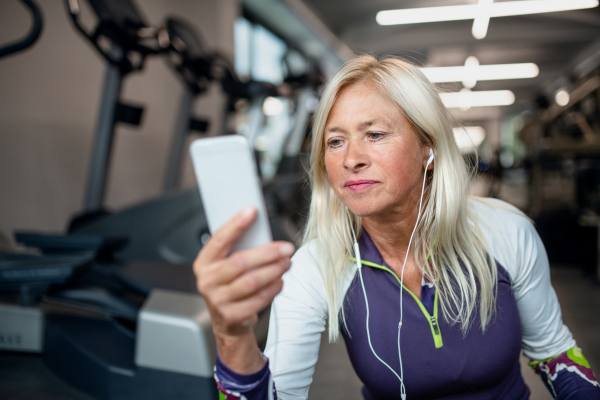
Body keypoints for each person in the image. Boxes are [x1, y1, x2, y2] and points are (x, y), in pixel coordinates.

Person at [193, 55, 600, 399]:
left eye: (374, 134)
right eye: (335, 142)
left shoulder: (505, 232)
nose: (351, 157)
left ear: (429, 147)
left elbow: (554, 354)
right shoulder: (314, 268)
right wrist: (232, 336)